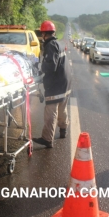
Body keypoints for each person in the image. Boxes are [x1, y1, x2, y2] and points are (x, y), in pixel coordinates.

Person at [33, 20, 72, 148]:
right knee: (62, 107)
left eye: (42, 33)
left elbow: (50, 66)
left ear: (44, 34)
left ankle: (47, 139)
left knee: (51, 111)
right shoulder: (59, 43)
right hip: (65, 81)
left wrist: (38, 67)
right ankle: (63, 129)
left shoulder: (50, 45)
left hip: (55, 84)